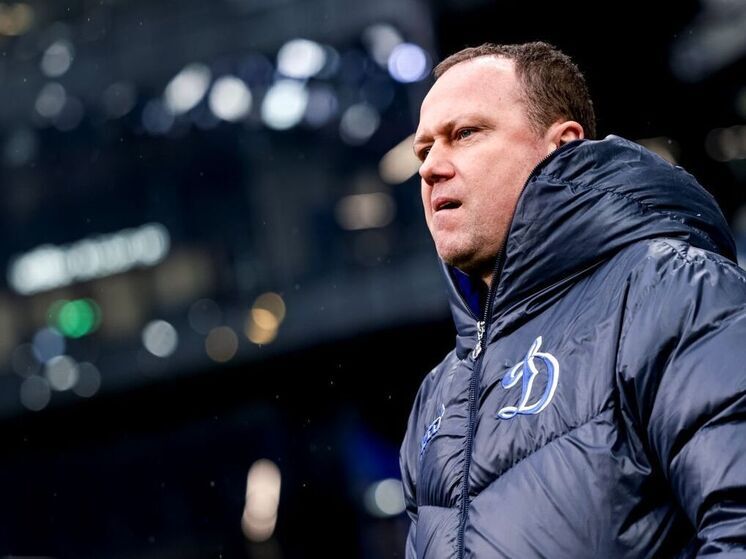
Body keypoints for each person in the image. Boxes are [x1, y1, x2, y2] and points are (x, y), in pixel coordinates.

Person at [399, 41, 746, 558]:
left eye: (465, 134)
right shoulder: (436, 395)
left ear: (561, 147)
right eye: (424, 151)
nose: (430, 168)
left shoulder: (673, 289)